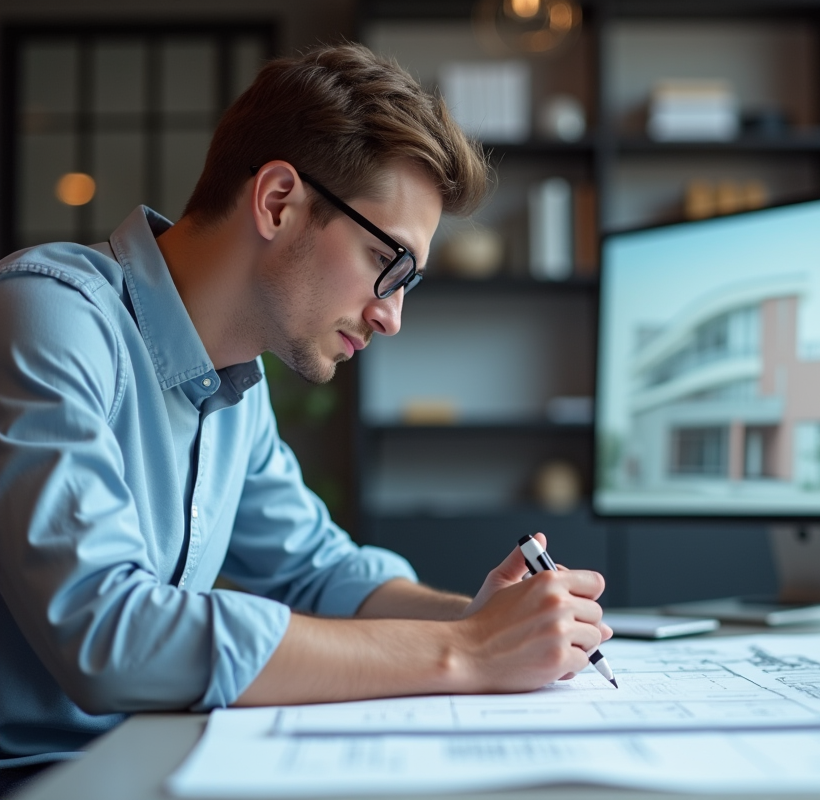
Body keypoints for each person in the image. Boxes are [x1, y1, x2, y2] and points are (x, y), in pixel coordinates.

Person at [0, 42, 611, 786]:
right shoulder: (47, 317)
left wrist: (476, 618)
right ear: (278, 201)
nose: (392, 317)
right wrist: (470, 653)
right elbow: (107, 632)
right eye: (389, 264)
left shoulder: (236, 385)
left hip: (148, 763)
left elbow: (322, 573)